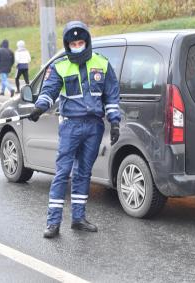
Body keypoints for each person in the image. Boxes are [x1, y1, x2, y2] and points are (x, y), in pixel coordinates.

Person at [28, 21, 121, 238]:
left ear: (87, 42)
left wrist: (115, 122)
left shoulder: (102, 64)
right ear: (67, 45)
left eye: (80, 42)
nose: (77, 46)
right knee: (62, 173)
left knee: (83, 173)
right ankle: (53, 222)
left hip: (94, 126)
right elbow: (49, 90)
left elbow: (112, 96)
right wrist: (39, 107)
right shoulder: (60, 66)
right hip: (70, 125)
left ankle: (78, 218)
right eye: (73, 43)